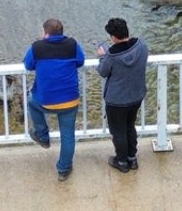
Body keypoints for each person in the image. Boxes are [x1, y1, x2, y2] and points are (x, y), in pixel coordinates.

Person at [24, 18, 86, 181]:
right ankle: (63, 169)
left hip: (46, 101)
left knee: (31, 101)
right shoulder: (72, 45)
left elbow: (28, 65)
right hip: (70, 101)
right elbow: (80, 61)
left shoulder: (37, 47)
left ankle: (43, 136)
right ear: (62, 32)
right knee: (68, 135)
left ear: (45, 33)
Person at [95, 17, 148, 173]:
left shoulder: (111, 56)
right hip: (136, 96)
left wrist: (101, 56)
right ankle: (132, 158)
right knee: (130, 126)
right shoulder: (142, 46)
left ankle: (122, 161)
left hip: (116, 101)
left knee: (118, 131)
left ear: (113, 37)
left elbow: (103, 72)